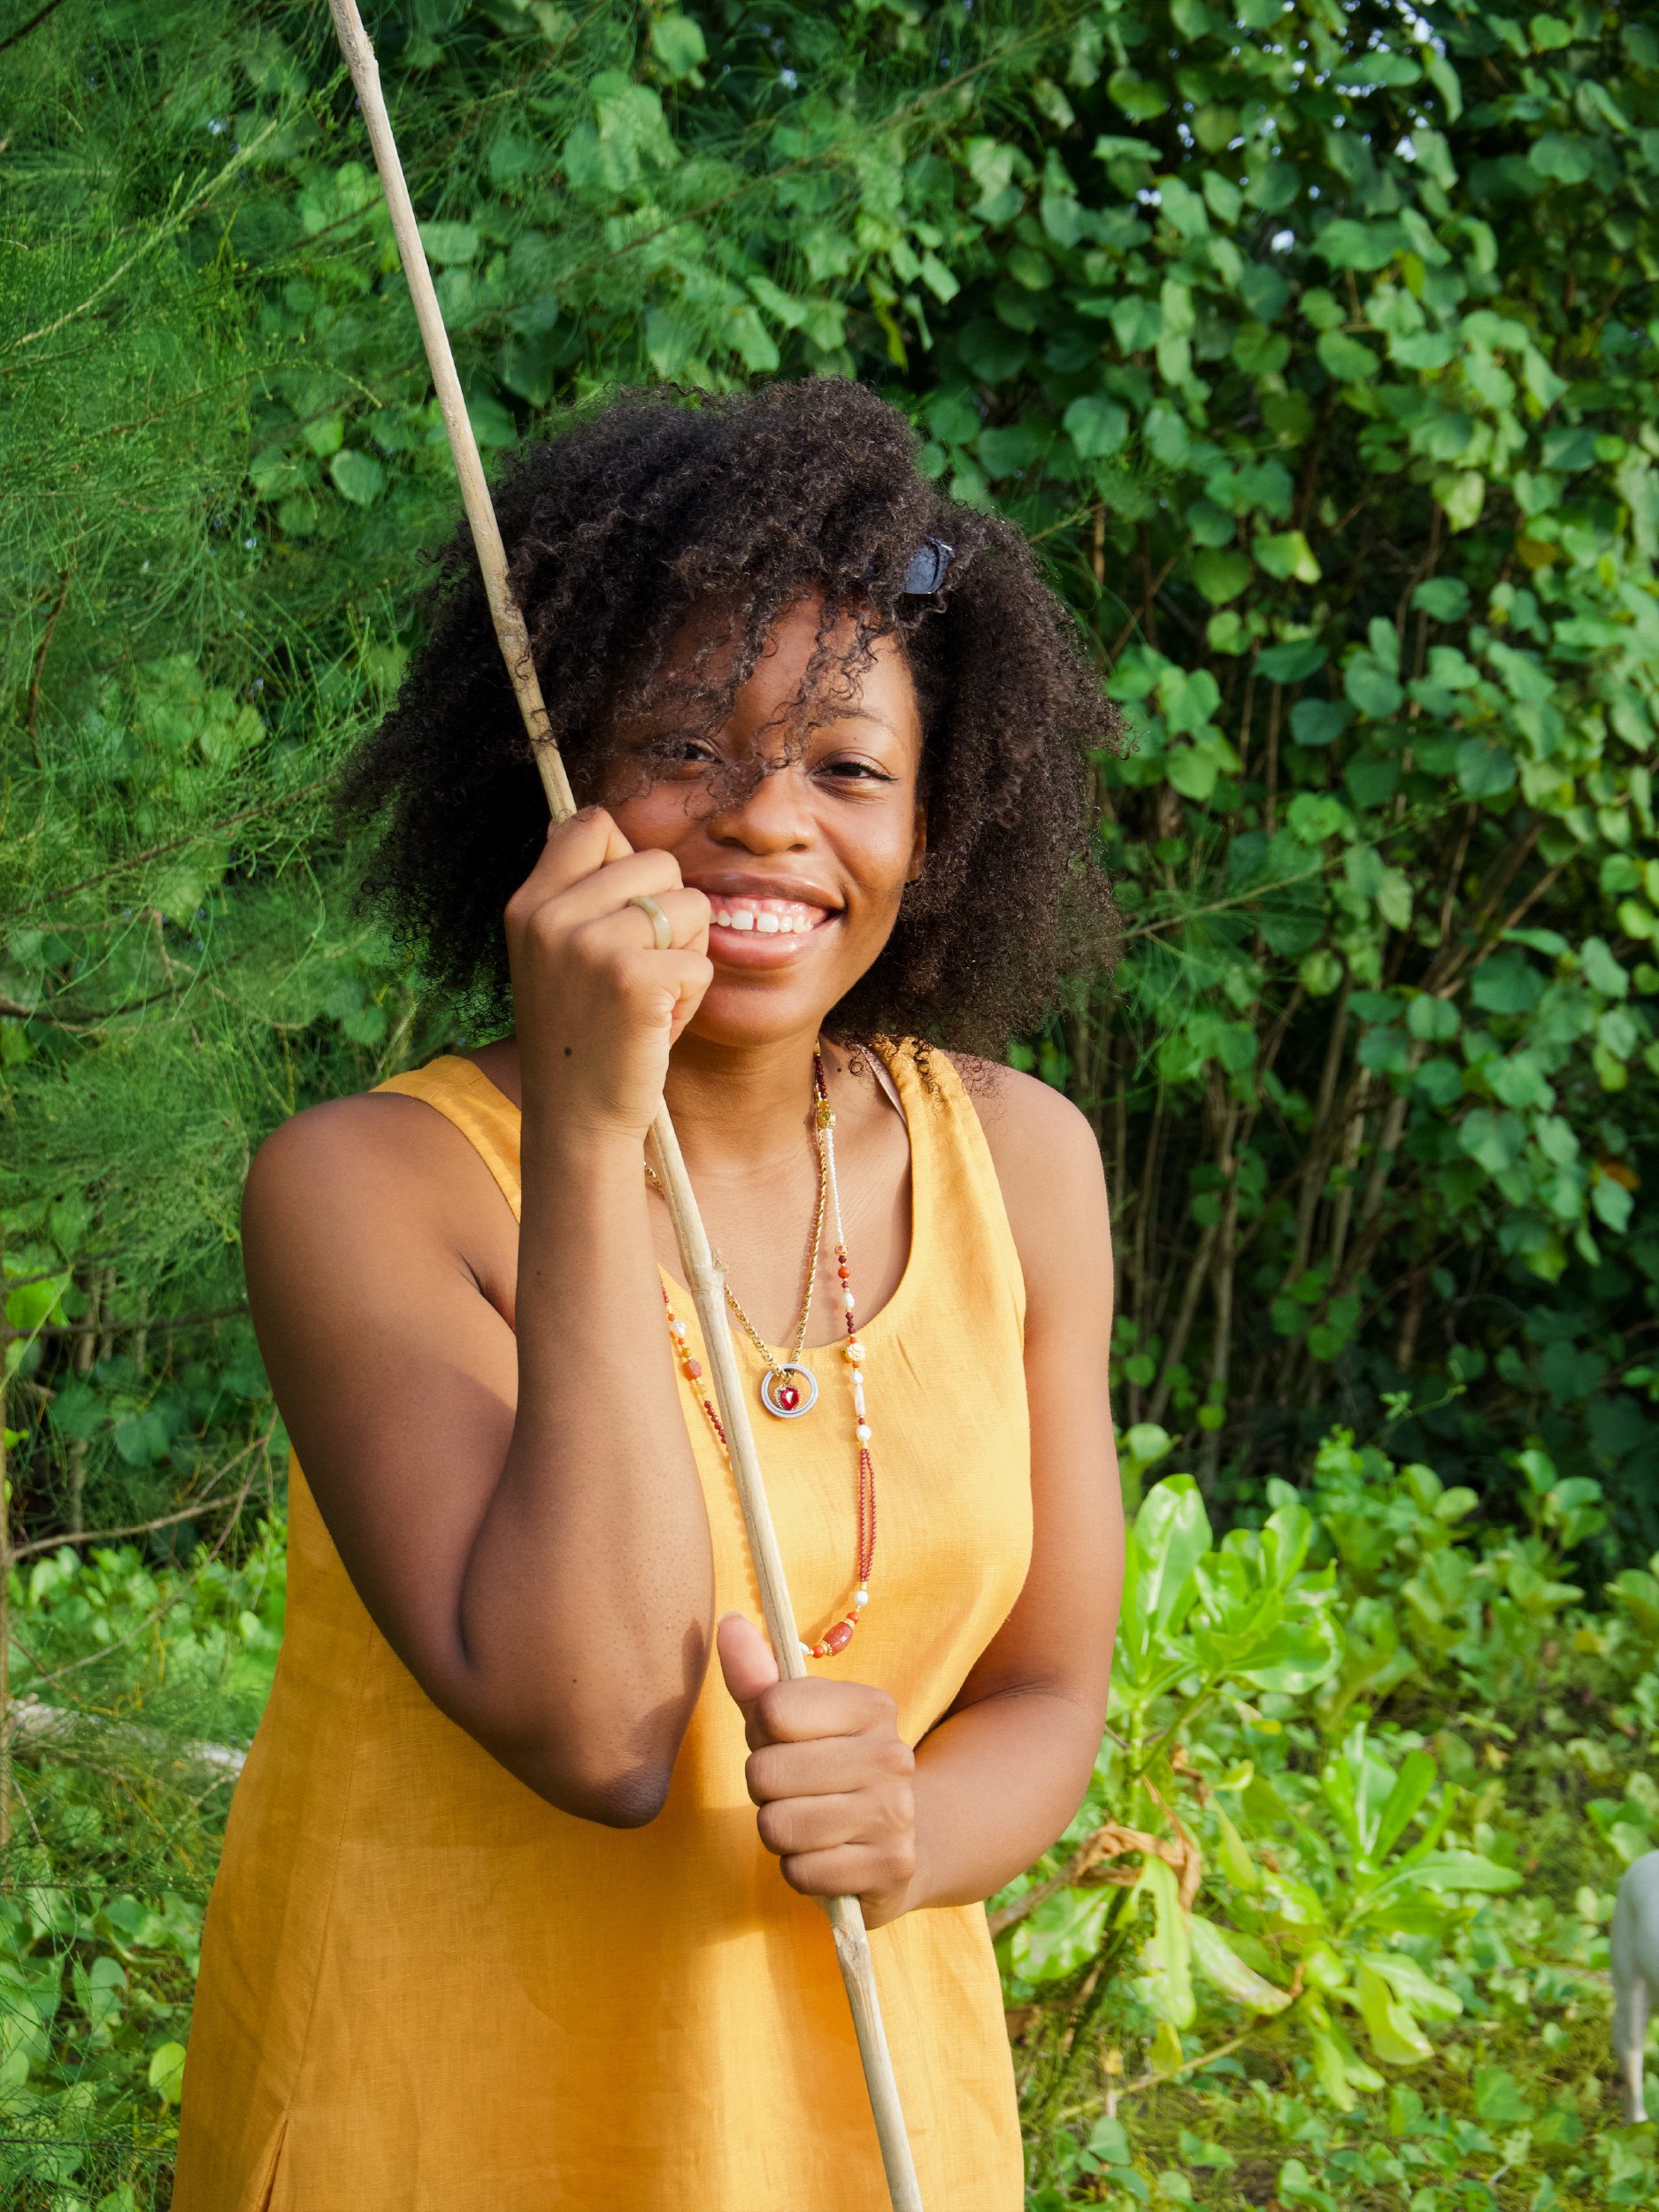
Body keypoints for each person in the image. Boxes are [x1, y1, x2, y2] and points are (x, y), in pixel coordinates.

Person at [172, 378, 1125, 2211]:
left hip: (851, 2137)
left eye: (846, 767)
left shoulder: (1022, 1164)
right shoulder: (363, 1185)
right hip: (428, 2127)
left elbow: (1046, 1687)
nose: (766, 820)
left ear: (937, 823)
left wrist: (916, 1827)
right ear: (551, 769)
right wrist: (598, 1116)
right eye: (684, 746)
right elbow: (597, 1719)